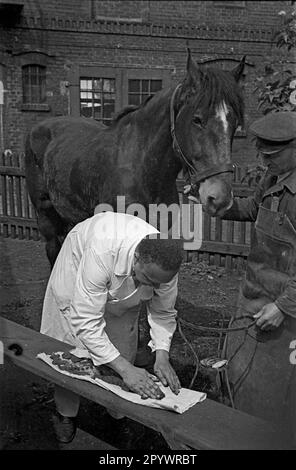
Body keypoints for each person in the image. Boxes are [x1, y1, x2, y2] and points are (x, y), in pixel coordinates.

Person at [40, 211, 183, 443]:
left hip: (121, 274)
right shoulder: (102, 249)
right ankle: (66, 413)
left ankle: (117, 414)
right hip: (79, 265)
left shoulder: (163, 266)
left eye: (160, 283)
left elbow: (163, 312)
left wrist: (162, 355)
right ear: (136, 258)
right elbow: (86, 320)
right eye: (150, 280)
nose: (155, 287)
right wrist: (126, 370)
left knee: (123, 344)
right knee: (72, 349)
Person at [217, 111, 296, 446]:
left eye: (272, 154)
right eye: (261, 153)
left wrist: (282, 306)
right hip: (251, 297)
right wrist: (221, 207)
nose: (264, 160)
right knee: (235, 374)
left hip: (284, 313)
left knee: (273, 398)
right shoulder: (274, 177)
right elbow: (252, 208)